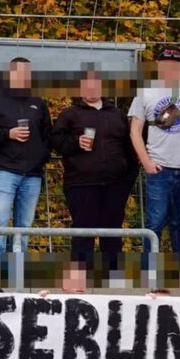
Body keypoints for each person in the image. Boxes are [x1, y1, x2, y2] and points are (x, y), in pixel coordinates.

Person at [129, 44, 180, 286]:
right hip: (159, 169)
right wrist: (146, 161)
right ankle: (149, 276)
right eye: (165, 64)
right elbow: (135, 130)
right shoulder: (145, 92)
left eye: (175, 65)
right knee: (155, 223)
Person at [51, 67, 135, 280]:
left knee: (113, 232)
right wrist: (75, 142)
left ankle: (114, 279)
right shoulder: (70, 114)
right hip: (81, 183)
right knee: (83, 231)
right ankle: (80, 281)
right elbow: (55, 142)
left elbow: (130, 148)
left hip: (115, 184)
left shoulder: (117, 114)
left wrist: (127, 181)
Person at [0, 56, 52, 268]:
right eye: (19, 72)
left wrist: (40, 158)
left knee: (24, 226)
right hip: (4, 171)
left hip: (33, 175)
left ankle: (17, 274)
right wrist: (7, 134)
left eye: (27, 73)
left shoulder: (38, 102)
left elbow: (48, 136)